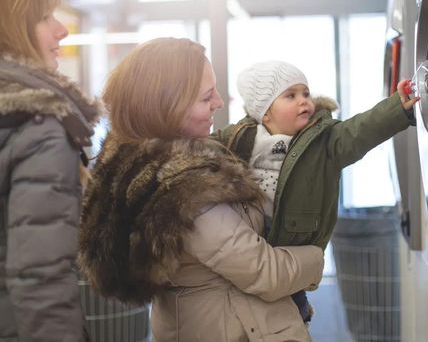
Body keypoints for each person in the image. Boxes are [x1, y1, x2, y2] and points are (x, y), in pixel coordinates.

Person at [78, 37, 324, 342]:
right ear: (168, 105)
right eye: (206, 97)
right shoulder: (184, 189)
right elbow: (265, 272)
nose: (219, 103)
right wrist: (317, 255)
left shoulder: (132, 168)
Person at [211, 60, 418, 321]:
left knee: (289, 320)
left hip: (291, 254)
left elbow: (361, 130)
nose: (304, 101)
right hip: (249, 252)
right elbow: (201, 148)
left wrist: (397, 108)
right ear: (265, 113)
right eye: (291, 95)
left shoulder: (324, 141)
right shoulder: (239, 138)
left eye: (306, 93)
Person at [0, 0, 101, 341]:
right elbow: (39, 276)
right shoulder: (38, 126)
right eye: (45, 17)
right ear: (12, 30)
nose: (62, 29)